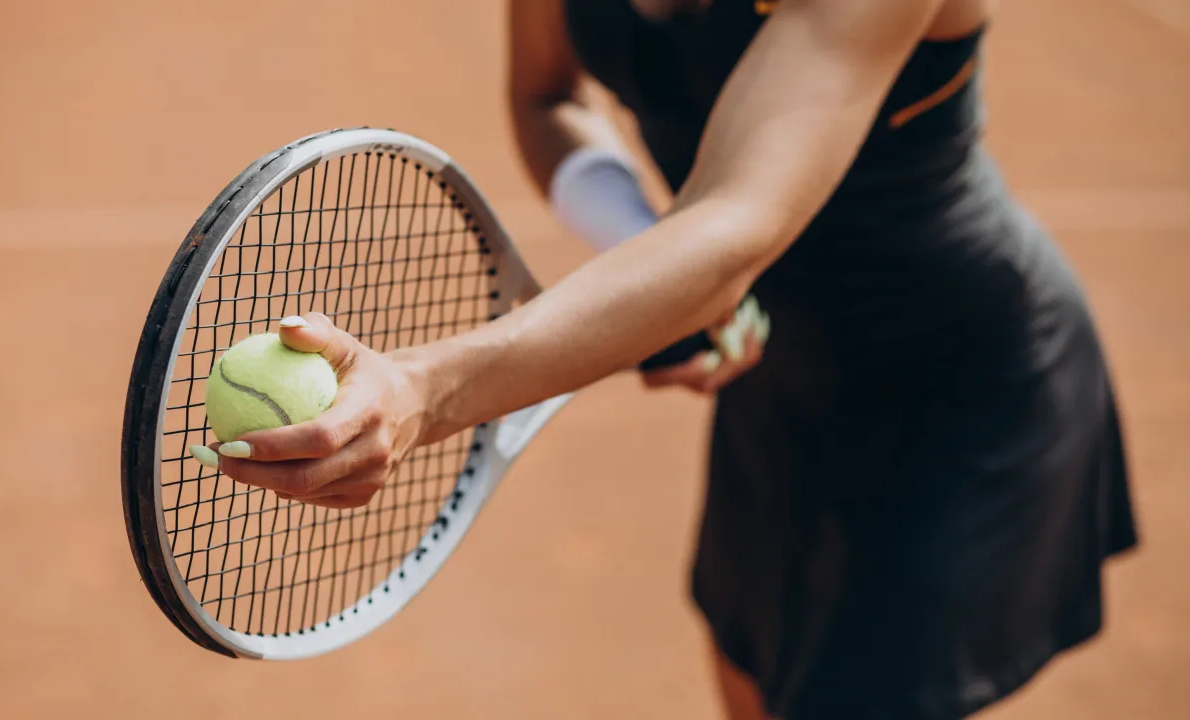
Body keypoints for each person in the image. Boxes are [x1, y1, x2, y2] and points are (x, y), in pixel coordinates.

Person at [196, 0, 1139, 717]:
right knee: (752, 685)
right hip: (777, 390)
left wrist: (426, 389)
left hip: (955, 390)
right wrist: (640, 240)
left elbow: (734, 225)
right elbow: (547, 92)